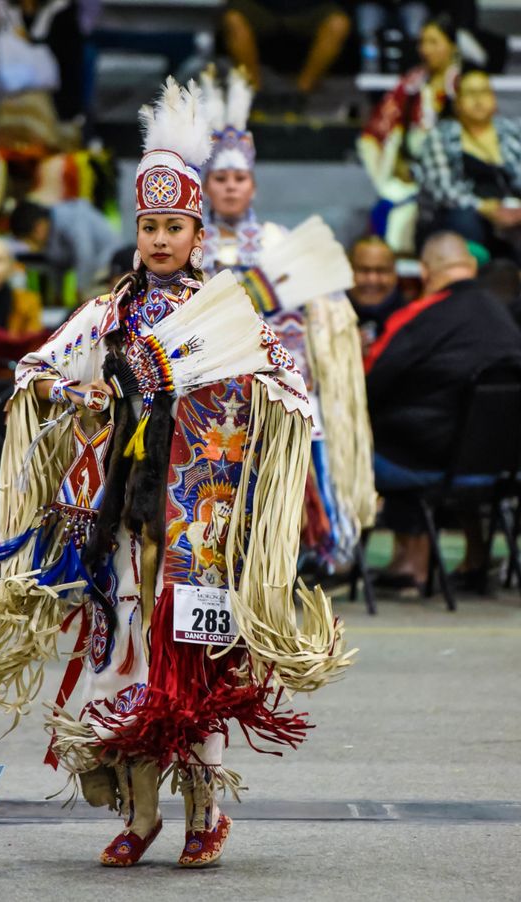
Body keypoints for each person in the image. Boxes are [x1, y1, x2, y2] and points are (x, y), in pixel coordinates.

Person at [0, 77, 352, 869]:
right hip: (122, 526)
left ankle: (204, 814)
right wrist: (88, 394)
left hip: (201, 529)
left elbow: (292, 393)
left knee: (198, 664)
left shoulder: (229, 311)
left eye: (174, 226)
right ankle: (141, 816)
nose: (159, 240)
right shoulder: (111, 311)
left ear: (197, 231)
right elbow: (36, 370)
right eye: (149, 226)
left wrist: (234, 411)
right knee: (128, 663)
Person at [200, 67, 375, 572]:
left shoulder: (279, 242)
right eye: (221, 179)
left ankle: (316, 543)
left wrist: (312, 354)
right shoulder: (188, 244)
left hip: (281, 383)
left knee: (309, 422)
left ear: (252, 185)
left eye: (239, 179)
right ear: (207, 186)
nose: (231, 188)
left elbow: (326, 310)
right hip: (209, 384)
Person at [365, 231, 521, 589]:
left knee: (359, 442)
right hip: (499, 466)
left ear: (425, 271)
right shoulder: (505, 319)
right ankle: (474, 555)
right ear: (470, 266)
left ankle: (404, 562)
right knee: (457, 426)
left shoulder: (420, 315)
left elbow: (371, 381)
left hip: (425, 463)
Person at [357, 14, 459, 253]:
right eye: (422, 42)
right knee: (386, 209)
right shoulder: (411, 85)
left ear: (452, 46)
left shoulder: (464, 86)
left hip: (455, 175)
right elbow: (382, 128)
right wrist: (398, 162)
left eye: (434, 42)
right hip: (412, 176)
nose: (425, 50)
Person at [414, 68, 521, 261]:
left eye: (484, 92)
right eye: (470, 94)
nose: (478, 100)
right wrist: (484, 208)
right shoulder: (440, 136)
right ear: (457, 102)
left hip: (511, 214)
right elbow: (443, 191)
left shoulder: (512, 133)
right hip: (461, 215)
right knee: (464, 219)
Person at [221, 0, 351, 106]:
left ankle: (300, 95)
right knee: (233, 19)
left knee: (338, 23)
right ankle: (254, 94)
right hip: (261, 6)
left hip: (311, 7)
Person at [9, 198, 121, 299]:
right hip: (93, 270)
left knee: (93, 303)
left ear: (38, 228)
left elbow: (85, 255)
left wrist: (81, 289)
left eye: (30, 240)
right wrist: (58, 294)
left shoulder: (71, 217)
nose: (31, 246)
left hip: (109, 264)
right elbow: (57, 264)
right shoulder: (51, 232)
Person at [348, 236, 405, 353]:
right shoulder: (325, 319)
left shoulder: (412, 320)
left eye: (381, 270)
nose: (372, 280)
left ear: (395, 274)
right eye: (363, 270)